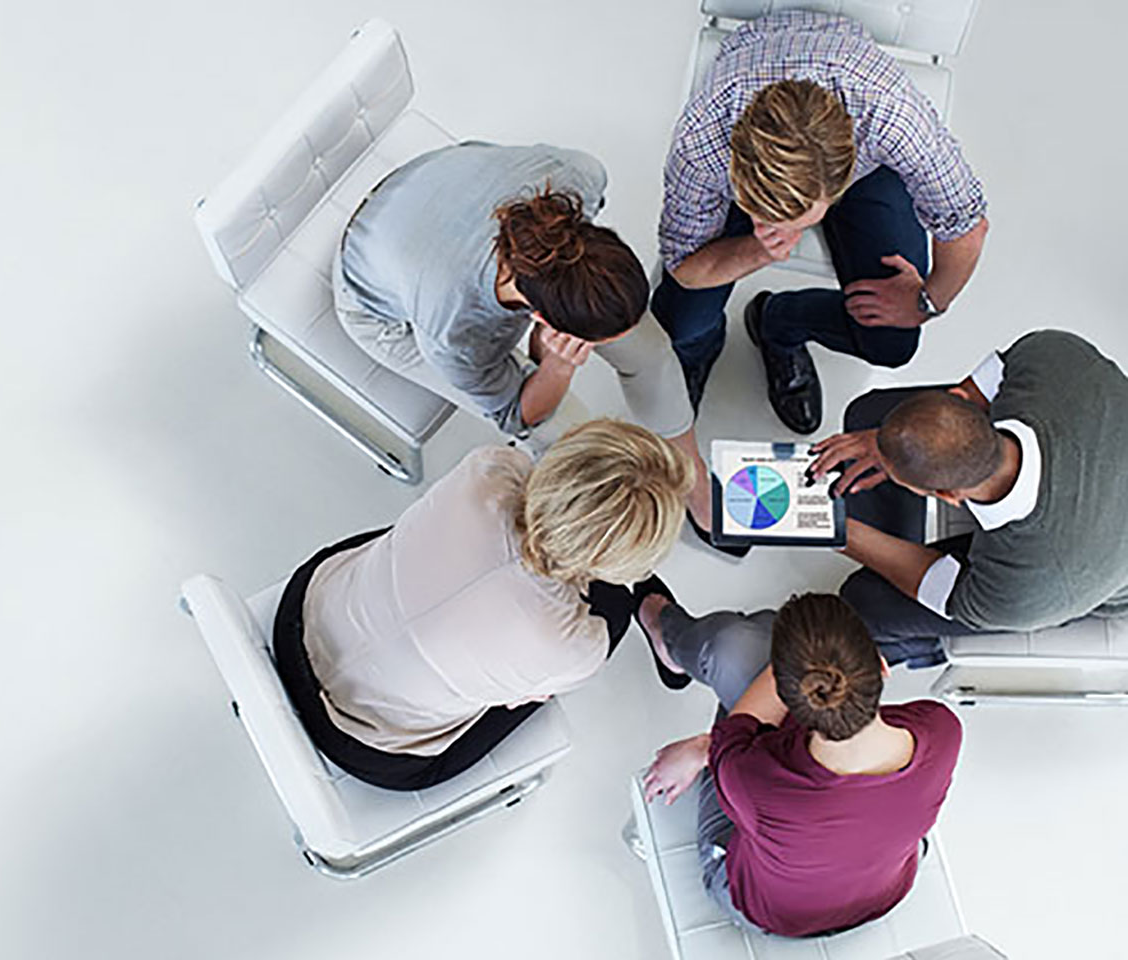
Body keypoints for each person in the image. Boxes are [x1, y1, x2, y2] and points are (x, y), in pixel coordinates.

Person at [334, 141, 737, 555]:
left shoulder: (578, 177)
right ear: (542, 321)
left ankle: (695, 481)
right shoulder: (455, 333)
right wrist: (556, 368)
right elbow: (516, 415)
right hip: (378, 303)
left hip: (430, 187)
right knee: (563, 433)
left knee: (650, 351)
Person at [272, 420, 694, 791]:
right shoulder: (574, 648)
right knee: (614, 609)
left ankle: (621, 575)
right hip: (364, 742)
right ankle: (643, 599)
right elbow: (519, 698)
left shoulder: (490, 469)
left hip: (301, 618)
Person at [653, 11, 989, 434]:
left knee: (893, 343)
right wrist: (756, 249)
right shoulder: (702, 138)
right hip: (750, 76)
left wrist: (928, 300)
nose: (786, 231)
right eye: (763, 213)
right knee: (680, 320)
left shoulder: (892, 117)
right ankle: (698, 351)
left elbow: (967, 226)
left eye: (799, 220)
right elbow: (683, 263)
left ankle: (778, 323)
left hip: (859, 140)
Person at [637, 591, 963, 938]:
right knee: (748, 640)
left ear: (788, 698)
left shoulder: (755, 777)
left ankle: (671, 637)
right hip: (885, 892)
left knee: (733, 645)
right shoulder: (943, 730)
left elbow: (734, 732)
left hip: (765, 910)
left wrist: (705, 747)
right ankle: (694, 638)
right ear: (882, 666)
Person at [806, 329, 1128, 666]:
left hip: (1091, 565)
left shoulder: (1025, 587)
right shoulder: (1050, 353)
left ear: (947, 495)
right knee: (871, 415)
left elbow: (943, 590)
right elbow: (970, 396)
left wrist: (837, 531)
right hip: (1094, 456)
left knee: (866, 603)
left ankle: (924, 649)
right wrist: (895, 441)